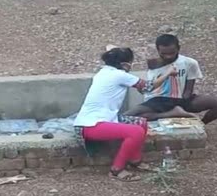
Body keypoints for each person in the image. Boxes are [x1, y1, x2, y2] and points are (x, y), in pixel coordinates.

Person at [73, 47, 177, 182]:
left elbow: (142, 87)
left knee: (141, 123)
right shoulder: (119, 75)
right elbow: (148, 87)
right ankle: (116, 170)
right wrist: (168, 73)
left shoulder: (104, 72)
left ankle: (135, 160)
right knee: (136, 132)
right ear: (125, 65)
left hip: (99, 120)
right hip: (90, 125)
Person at [124, 34, 217, 124]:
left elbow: (189, 88)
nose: (168, 56)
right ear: (157, 50)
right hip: (158, 100)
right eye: (164, 54)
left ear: (178, 48)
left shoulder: (190, 63)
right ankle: (171, 114)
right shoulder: (153, 64)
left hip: (181, 99)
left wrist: (182, 101)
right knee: (128, 116)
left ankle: (200, 124)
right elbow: (147, 90)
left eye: (172, 53)